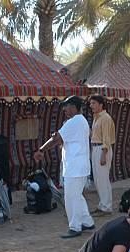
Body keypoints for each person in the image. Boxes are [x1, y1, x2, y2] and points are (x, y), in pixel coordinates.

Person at [34, 96, 94, 238]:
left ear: (73, 106)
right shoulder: (82, 121)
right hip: (79, 166)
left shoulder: (74, 121)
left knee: (71, 198)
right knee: (77, 196)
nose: (64, 109)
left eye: (66, 106)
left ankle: (75, 227)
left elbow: (57, 138)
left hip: (74, 167)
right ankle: (87, 221)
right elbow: (60, 138)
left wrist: (41, 150)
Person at [89, 95, 116, 216]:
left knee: (103, 179)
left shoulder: (105, 118)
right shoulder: (96, 118)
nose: (91, 106)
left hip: (102, 149)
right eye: (91, 103)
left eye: (94, 103)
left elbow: (106, 138)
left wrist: (103, 154)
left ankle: (106, 207)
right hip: (96, 148)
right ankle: (102, 204)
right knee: (98, 179)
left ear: (101, 105)